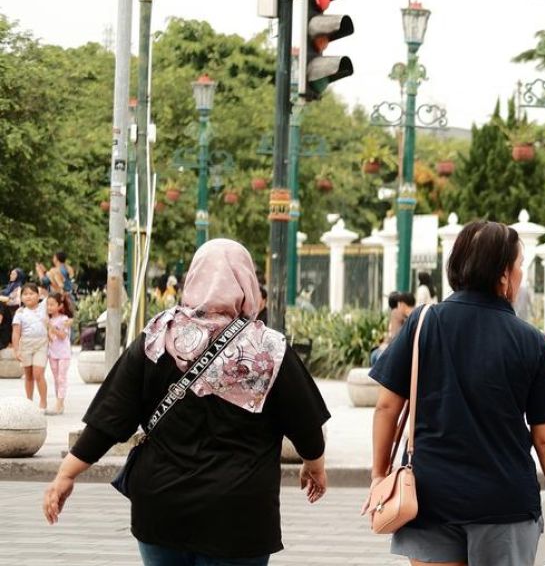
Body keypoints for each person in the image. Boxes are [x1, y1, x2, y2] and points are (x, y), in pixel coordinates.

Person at [44, 239, 331, 564]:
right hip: (238, 514)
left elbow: (109, 418)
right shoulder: (269, 349)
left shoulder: (156, 337)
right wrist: (314, 466)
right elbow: (306, 423)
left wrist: (66, 474)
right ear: (247, 281)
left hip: (162, 507)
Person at [368, 220, 545, 566]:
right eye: (520, 266)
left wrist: (379, 475)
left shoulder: (424, 323)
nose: (521, 275)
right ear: (503, 275)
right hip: (504, 503)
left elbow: (386, 407)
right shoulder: (530, 341)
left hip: (430, 498)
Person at [12, 283, 49, 411]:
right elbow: (16, 333)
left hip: (41, 344)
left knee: (38, 374)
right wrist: (16, 350)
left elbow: (53, 292)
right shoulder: (20, 312)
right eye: (25, 294)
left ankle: (43, 403)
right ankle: (29, 403)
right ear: (21, 298)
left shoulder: (44, 306)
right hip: (26, 345)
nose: (28, 296)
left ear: (38, 295)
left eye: (32, 293)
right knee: (28, 375)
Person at [45, 292, 74, 415]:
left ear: (59, 306)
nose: (49, 307)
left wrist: (51, 328)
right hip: (52, 354)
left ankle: (59, 403)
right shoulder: (48, 320)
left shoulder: (64, 320)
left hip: (63, 354)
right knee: (56, 379)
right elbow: (49, 338)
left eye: (52, 304)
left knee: (62, 378)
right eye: (48, 305)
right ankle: (60, 403)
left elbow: (62, 336)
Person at [371, 292, 416, 368]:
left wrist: (387, 345)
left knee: (377, 356)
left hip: (401, 354)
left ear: (402, 304)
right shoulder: (412, 315)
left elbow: (396, 337)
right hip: (401, 352)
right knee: (376, 354)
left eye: (399, 305)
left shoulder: (397, 314)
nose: (398, 308)